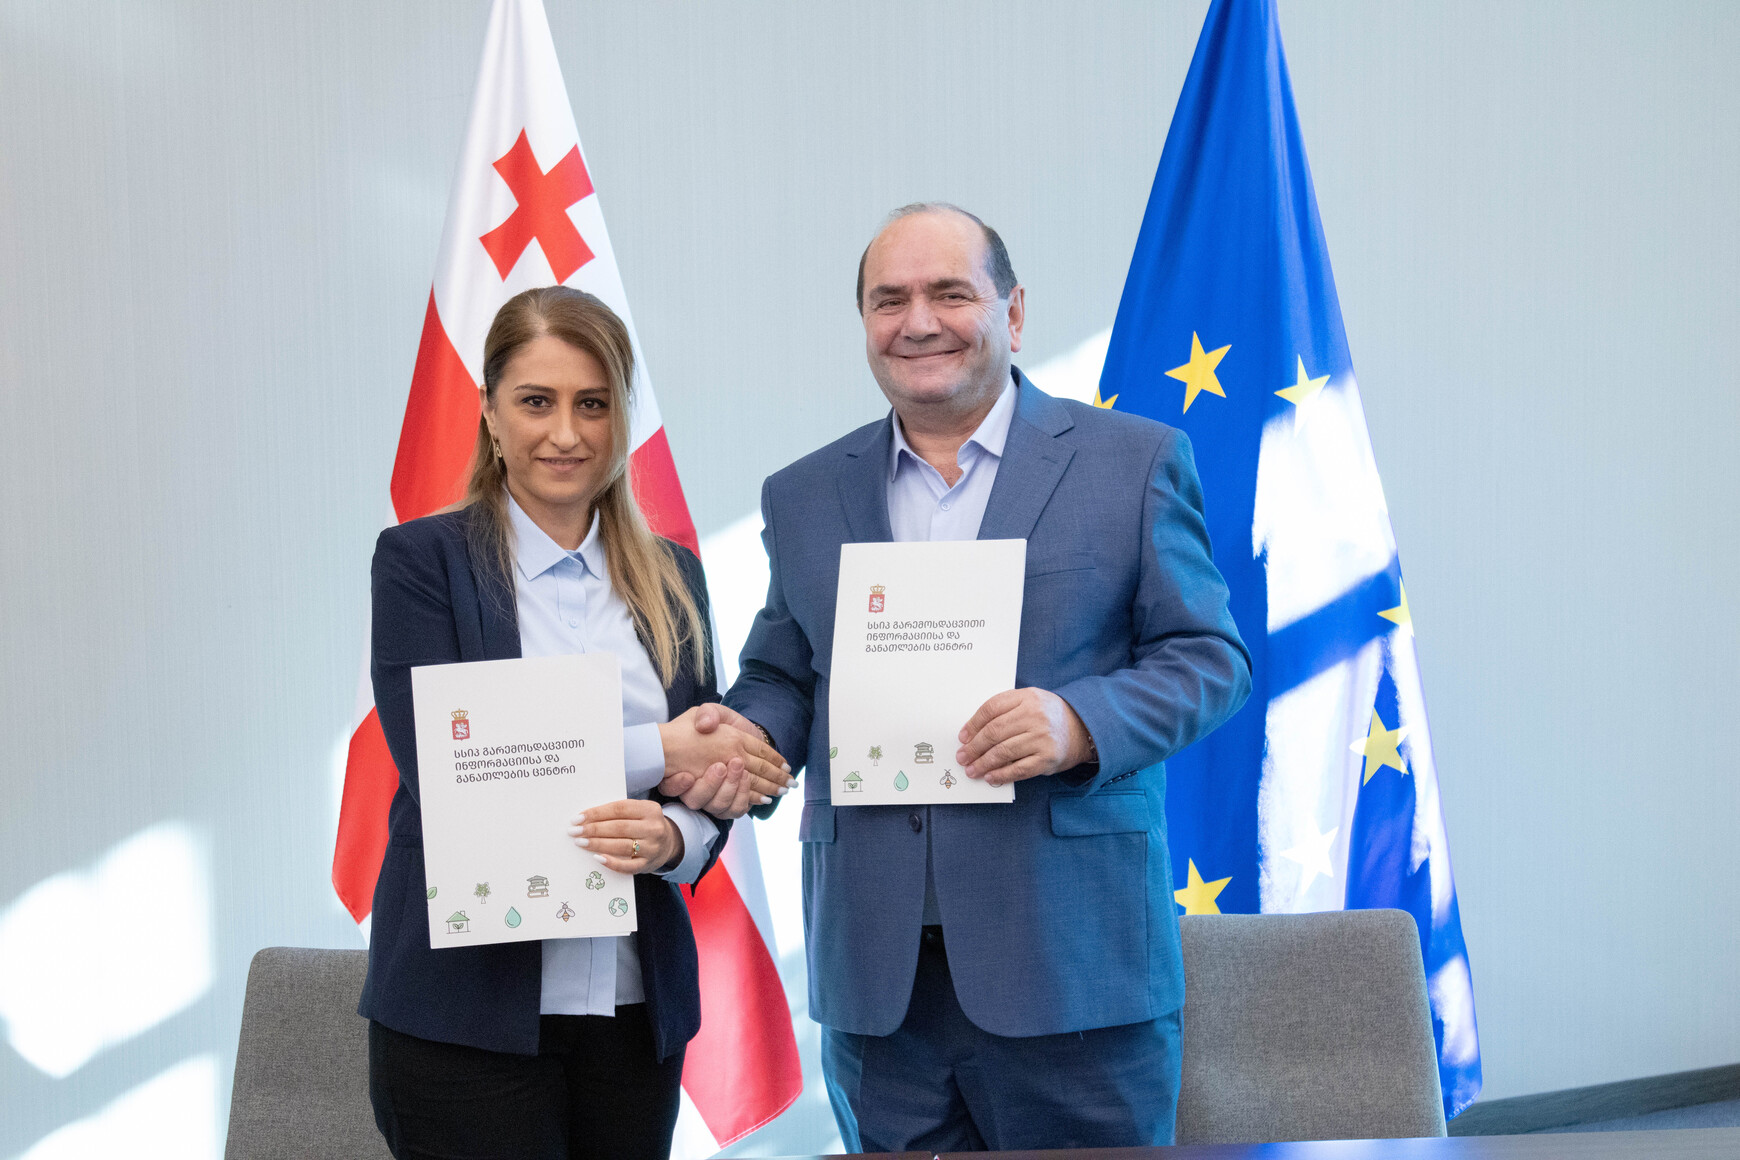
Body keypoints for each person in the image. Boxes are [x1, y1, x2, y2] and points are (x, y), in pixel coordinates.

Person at [720, 204, 1252, 1151]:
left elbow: (1211, 659)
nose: (918, 321)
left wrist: (1078, 723)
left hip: (1071, 971)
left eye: (949, 293)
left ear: (1012, 313)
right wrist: (751, 738)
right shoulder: (803, 494)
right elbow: (783, 673)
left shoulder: (1131, 464)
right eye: (889, 300)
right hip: (878, 984)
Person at [360, 285, 792, 1160]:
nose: (566, 432)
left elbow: (704, 784)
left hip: (634, 1020)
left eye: (592, 404)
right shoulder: (421, 564)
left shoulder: (672, 575)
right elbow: (450, 766)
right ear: (489, 413)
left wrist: (673, 837)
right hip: (464, 1021)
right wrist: (659, 749)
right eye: (536, 401)